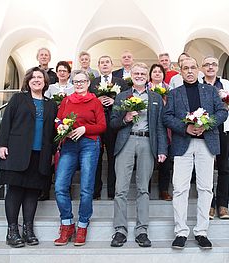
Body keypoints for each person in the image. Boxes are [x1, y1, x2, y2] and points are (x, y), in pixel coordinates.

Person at [163, 57, 228, 249]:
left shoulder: (210, 91)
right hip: (183, 144)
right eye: (185, 68)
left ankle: (202, 232)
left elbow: (222, 112)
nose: (189, 71)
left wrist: (205, 125)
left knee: (205, 188)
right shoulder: (174, 93)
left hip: (206, 144)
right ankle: (181, 232)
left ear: (198, 70)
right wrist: (186, 129)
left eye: (192, 67)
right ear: (180, 72)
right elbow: (166, 117)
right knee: (180, 188)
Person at [0, 67, 57, 248]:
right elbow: (6, 121)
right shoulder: (18, 99)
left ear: (45, 82)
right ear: (28, 81)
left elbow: (53, 132)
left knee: (32, 192)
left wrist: (53, 152)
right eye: (33, 77)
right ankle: (12, 231)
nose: (36, 80)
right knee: (15, 192)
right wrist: (2, 144)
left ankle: (28, 230)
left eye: (40, 77)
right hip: (16, 152)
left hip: (40, 154)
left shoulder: (51, 104)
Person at [110, 62, 167, 248]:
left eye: (143, 73)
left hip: (147, 142)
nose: (140, 75)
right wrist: (125, 118)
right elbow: (113, 123)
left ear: (147, 76)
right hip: (126, 141)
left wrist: (162, 149)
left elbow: (160, 126)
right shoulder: (121, 96)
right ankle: (120, 230)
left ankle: (142, 230)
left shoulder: (156, 97)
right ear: (131, 75)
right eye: (137, 73)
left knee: (143, 188)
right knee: (121, 189)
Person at [54, 70, 106, 247]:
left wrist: (85, 129)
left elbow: (102, 125)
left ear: (88, 83)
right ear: (72, 83)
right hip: (69, 145)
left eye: (82, 81)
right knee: (60, 185)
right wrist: (63, 129)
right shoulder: (67, 100)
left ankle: (83, 225)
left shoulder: (95, 101)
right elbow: (58, 120)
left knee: (86, 188)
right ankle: (67, 224)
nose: (79, 84)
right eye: (75, 81)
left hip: (89, 144)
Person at [200, 55, 229, 220]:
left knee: (223, 167)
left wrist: (225, 105)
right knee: (206, 168)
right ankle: (209, 205)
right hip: (204, 130)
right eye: (207, 64)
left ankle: (223, 206)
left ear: (217, 67)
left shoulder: (226, 84)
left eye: (213, 64)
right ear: (202, 68)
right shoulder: (198, 84)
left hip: (223, 129)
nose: (210, 67)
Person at [89, 55, 129, 200]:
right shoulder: (93, 83)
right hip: (96, 124)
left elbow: (126, 101)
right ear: (98, 66)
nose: (105, 65)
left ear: (112, 65)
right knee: (95, 157)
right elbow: (87, 101)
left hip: (114, 125)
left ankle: (112, 191)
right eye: (102, 63)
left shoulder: (121, 82)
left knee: (113, 157)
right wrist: (96, 101)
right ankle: (95, 191)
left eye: (107, 62)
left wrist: (115, 101)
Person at [37, 61, 75, 201]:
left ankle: (66, 189)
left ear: (69, 73)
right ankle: (44, 190)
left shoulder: (73, 88)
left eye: (65, 70)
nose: (62, 73)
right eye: (60, 70)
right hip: (51, 125)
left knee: (66, 157)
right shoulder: (51, 88)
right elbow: (44, 101)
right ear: (57, 73)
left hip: (67, 126)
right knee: (48, 157)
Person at [146, 64, 172, 201]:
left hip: (165, 128)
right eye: (154, 71)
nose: (157, 74)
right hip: (149, 127)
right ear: (150, 75)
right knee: (147, 161)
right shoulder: (145, 88)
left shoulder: (170, 89)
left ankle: (164, 190)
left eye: (159, 72)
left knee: (165, 163)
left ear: (163, 74)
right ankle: (146, 190)